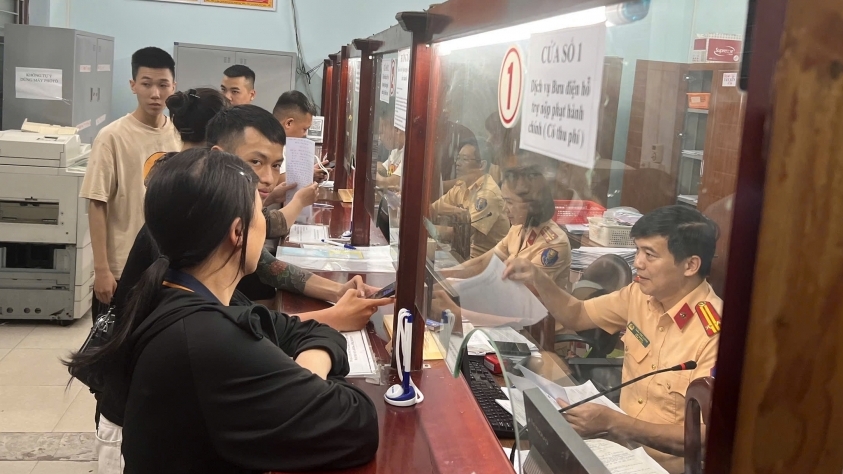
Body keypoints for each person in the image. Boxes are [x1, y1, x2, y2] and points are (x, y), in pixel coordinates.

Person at [68, 149, 379, 473]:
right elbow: (358, 422)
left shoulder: (179, 291)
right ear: (238, 233)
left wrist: (304, 381)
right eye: (260, 215)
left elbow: (312, 330)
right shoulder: (206, 339)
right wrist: (308, 383)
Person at [502, 205, 721, 473]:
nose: (638, 262)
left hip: (661, 466)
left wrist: (614, 423)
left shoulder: (715, 334)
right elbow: (577, 314)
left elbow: (709, 436)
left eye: (650, 254)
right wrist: (538, 279)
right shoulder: (639, 295)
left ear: (690, 265)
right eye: (637, 250)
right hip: (618, 447)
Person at [79, 46, 180, 321]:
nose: (155, 93)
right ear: (133, 85)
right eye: (146, 84)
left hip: (169, 267)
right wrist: (102, 269)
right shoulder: (111, 137)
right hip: (123, 268)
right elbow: (97, 203)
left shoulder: (179, 135)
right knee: (114, 342)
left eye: (163, 85)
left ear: (174, 87)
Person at [440, 165, 572, 290]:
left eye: (510, 202)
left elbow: (523, 290)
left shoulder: (554, 244)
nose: (504, 208)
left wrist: (455, 286)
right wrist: (443, 276)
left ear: (533, 205)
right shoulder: (518, 228)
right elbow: (484, 262)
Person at [430, 139, 510, 259]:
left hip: (483, 262)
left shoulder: (487, 194)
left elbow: (460, 235)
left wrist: (426, 229)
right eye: (458, 158)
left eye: (465, 159)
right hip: (463, 256)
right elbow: (433, 209)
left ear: (482, 165)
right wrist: (454, 211)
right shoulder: (462, 185)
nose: (458, 163)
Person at [272, 90, 328, 185]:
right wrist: (309, 175)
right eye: (304, 129)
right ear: (289, 123)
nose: (305, 134)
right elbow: (280, 181)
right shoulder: (271, 144)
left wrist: (309, 172)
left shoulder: (282, 143)